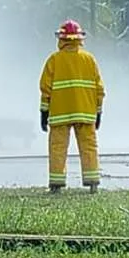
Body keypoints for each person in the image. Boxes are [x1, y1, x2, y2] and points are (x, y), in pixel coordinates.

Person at [39, 19, 104, 193]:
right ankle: (93, 183)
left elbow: (45, 89)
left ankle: (56, 185)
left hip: (60, 113)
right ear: (79, 39)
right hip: (86, 113)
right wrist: (99, 112)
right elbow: (99, 88)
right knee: (89, 147)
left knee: (58, 148)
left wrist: (44, 112)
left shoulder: (54, 60)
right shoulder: (89, 59)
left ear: (61, 38)